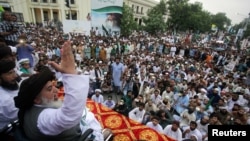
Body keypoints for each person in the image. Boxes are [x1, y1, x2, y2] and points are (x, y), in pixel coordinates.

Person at [14, 41, 110, 141]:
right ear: (36, 100)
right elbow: (68, 116)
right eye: (49, 89)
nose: (56, 90)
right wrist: (71, 73)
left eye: (53, 86)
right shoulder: (43, 119)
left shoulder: (33, 108)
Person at [0, 60, 19, 131]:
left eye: (14, 71)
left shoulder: (9, 84)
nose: (15, 76)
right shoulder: (4, 100)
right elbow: (23, 111)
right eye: (10, 73)